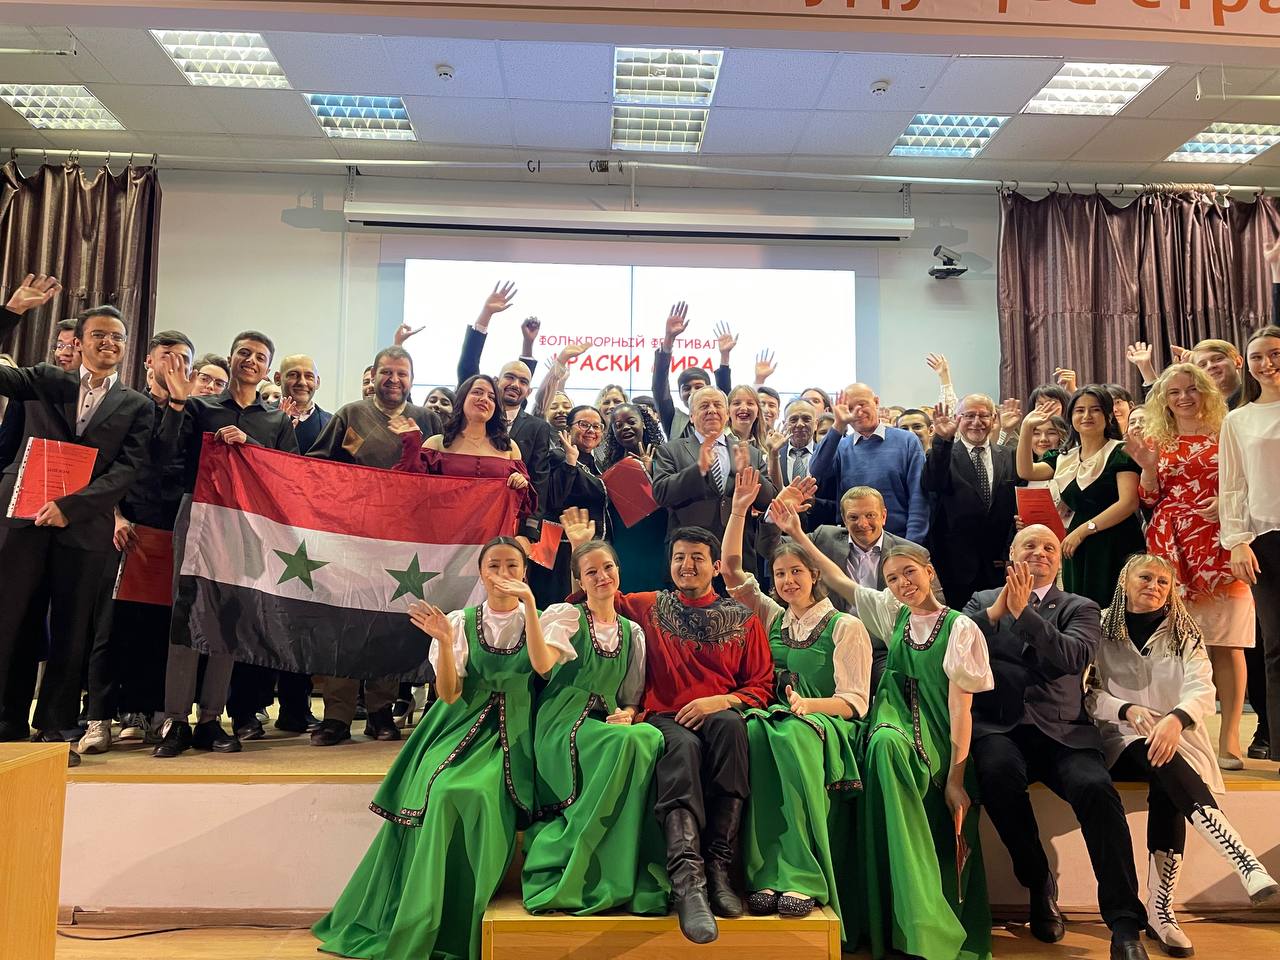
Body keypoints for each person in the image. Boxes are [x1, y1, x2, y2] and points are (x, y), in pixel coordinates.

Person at [313, 537, 555, 960]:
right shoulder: (461, 621)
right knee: (441, 791)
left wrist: (530, 604)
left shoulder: (541, 618)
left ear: (525, 572)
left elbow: (542, 668)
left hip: (513, 732)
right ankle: (424, 915)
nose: (503, 573)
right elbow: (448, 694)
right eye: (494, 565)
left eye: (512, 566)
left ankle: (464, 919)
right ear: (481, 573)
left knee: (478, 794)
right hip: (458, 724)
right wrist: (444, 642)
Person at [773, 499, 993, 960]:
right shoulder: (893, 614)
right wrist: (798, 534)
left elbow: (961, 710)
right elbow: (838, 580)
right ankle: (890, 923)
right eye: (892, 579)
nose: (902, 584)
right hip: (891, 724)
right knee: (880, 747)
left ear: (929, 572)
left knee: (890, 751)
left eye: (909, 573)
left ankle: (925, 927)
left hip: (934, 734)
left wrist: (956, 778)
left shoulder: (960, 629)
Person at [562, 512, 773, 944]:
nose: (686, 565)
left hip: (719, 711)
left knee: (731, 729)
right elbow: (594, 595)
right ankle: (688, 884)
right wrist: (580, 548)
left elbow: (761, 684)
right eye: (679, 557)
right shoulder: (647, 605)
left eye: (697, 557)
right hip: (663, 715)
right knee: (682, 748)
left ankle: (719, 870)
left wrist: (721, 700)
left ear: (716, 566)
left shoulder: (743, 618)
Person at [963, 525, 1150, 960]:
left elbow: (1072, 656)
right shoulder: (981, 600)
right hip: (1000, 729)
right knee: (995, 773)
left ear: (1059, 560)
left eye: (1049, 546)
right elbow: (958, 645)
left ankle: (1124, 924)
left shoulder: (1080, 606)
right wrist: (999, 610)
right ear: (1012, 554)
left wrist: (1023, 614)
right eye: (1029, 544)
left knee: (1096, 789)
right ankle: (1037, 882)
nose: (1041, 552)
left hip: (1064, 733)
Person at [1088, 554, 1278, 957]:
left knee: (1166, 777)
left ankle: (1161, 909)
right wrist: (1125, 709)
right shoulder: (1099, 626)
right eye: (1145, 577)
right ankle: (1241, 858)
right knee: (1157, 754)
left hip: (1175, 739)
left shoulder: (1185, 630)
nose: (1154, 586)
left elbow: (1202, 687)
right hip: (1119, 738)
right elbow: (1087, 692)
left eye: (1163, 582)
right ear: (1124, 581)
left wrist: (1175, 719)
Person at [0, 277, 155, 767]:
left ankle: (55, 727)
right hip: (24, 520)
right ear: (80, 342)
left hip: (85, 528)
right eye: (99, 335)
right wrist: (11, 312)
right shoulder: (46, 378)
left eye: (117, 337)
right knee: (12, 619)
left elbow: (128, 469)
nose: (108, 343)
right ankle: (6, 719)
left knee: (72, 630)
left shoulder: (137, 405)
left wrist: (71, 506)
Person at [721, 470, 870, 937]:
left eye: (796, 572)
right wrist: (739, 511)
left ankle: (802, 877)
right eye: (781, 574)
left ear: (815, 576)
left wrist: (810, 706)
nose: (787, 581)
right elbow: (731, 571)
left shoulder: (845, 626)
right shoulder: (771, 616)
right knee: (752, 733)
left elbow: (855, 702)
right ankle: (766, 872)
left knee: (790, 739)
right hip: (777, 718)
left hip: (827, 724)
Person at [151, 330, 299, 757]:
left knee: (228, 620)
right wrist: (176, 403)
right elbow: (164, 454)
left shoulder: (275, 421)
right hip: (197, 513)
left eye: (260, 356)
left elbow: (290, 476)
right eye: (244, 353)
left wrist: (251, 446)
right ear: (231, 358)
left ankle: (211, 719)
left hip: (247, 525)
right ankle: (176, 720)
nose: (251, 360)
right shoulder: (199, 406)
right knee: (186, 613)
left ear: (268, 369)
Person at [520, 538, 668, 916]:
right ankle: (586, 863)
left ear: (619, 571)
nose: (602, 576)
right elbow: (543, 666)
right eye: (591, 572)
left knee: (648, 737)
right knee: (625, 744)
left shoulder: (632, 632)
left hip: (605, 721)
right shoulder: (567, 618)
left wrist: (629, 714)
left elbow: (631, 697)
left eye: (608, 568)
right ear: (580, 581)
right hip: (561, 721)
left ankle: (629, 862)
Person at [306, 346, 443, 747]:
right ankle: (337, 715)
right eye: (387, 372)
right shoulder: (350, 415)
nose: (394, 380)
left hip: (403, 540)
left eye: (402, 374)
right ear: (374, 375)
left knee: (388, 622)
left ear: (412, 379)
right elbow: (315, 467)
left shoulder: (428, 420)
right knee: (346, 622)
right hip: (352, 537)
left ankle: (381, 710)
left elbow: (443, 475)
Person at [1128, 363, 1255, 769]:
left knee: (1227, 643)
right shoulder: (1155, 438)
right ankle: (1178, 736)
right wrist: (1148, 467)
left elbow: (1251, 482)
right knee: (1174, 646)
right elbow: (1149, 500)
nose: (1183, 397)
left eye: (1191, 389)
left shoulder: (1228, 430)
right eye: (1174, 392)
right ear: (1163, 400)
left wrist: (1227, 502)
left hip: (1222, 544)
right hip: (1171, 548)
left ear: (1206, 391)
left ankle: (1230, 737)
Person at [77, 329, 196, 756]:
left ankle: (145, 714)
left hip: (174, 532)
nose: (175, 364)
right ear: (148, 361)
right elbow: (103, 467)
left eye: (184, 359)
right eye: (167, 355)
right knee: (111, 628)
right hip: (126, 529)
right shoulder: (126, 404)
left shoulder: (195, 412)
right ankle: (99, 718)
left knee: (157, 629)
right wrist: (114, 515)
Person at [1017, 386, 1145, 607]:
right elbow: (1025, 471)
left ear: (1108, 415)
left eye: (1095, 409)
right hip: (1076, 546)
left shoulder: (1121, 452)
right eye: (1079, 410)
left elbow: (1128, 503)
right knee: (1080, 608)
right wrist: (1027, 428)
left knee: (1115, 608)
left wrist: (1084, 530)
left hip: (1114, 541)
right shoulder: (1063, 457)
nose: (1087, 416)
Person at [1220, 325, 1280, 776]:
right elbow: (1233, 486)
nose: (1266, 363)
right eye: (1257, 356)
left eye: (1274, 353)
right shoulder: (1238, 420)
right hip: (1266, 539)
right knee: (1276, 647)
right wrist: (1237, 540)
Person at [651, 386, 777, 578]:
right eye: (704, 406)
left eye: (717, 405)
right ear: (691, 416)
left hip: (739, 554)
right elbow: (661, 493)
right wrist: (698, 470)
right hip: (690, 555)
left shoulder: (750, 452)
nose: (711, 410)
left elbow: (768, 501)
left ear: (727, 414)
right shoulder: (671, 451)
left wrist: (749, 471)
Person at [392, 373, 535, 531]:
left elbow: (523, 504)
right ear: (462, 398)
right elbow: (409, 487)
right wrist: (412, 444)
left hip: (492, 538)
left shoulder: (509, 448)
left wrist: (521, 483)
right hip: (441, 534)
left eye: (491, 397)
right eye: (477, 392)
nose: (484, 399)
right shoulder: (436, 443)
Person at [924, 396, 1021, 609]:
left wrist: (1009, 551)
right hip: (955, 565)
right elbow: (932, 483)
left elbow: (1017, 506)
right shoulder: (943, 454)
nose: (976, 422)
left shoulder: (1009, 455)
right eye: (969, 415)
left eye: (983, 415)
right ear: (957, 418)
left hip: (998, 565)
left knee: (1000, 623)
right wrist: (943, 440)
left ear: (993, 419)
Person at [808, 382, 929, 544]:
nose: (857, 412)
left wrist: (912, 543)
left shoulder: (907, 441)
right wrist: (838, 425)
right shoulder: (842, 446)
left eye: (862, 404)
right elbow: (817, 472)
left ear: (876, 402)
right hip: (853, 543)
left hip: (898, 541)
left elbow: (918, 497)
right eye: (850, 408)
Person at [540, 405, 608, 601]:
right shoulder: (556, 456)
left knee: (586, 604)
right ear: (568, 429)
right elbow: (554, 499)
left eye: (597, 426)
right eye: (584, 424)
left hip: (588, 543)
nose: (591, 430)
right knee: (556, 603)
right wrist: (570, 461)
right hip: (557, 546)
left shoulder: (599, 464)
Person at [600, 402, 669, 592]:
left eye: (631, 422)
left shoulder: (664, 458)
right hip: (625, 543)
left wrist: (651, 472)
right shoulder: (607, 466)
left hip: (658, 538)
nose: (625, 427)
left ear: (644, 423)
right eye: (618, 425)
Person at [651, 302, 732, 441]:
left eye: (699, 387)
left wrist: (725, 356)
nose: (693, 392)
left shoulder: (720, 415)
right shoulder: (674, 420)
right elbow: (659, 389)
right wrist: (668, 340)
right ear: (680, 393)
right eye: (686, 388)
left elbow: (724, 395)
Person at [766, 399, 837, 528]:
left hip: (819, 531)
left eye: (806, 419)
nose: (799, 424)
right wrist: (773, 454)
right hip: (779, 532)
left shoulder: (831, 457)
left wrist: (814, 503)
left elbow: (839, 503)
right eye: (793, 420)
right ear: (785, 424)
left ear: (816, 424)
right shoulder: (772, 456)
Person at [275, 354, 331, 454]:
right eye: (293, 375)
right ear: (278, 378)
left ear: (317, 382)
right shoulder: (261, 416)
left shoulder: (331, 424)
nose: (302, 382)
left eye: (309, 376)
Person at [727, 383, 767, 451]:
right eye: (736, 403)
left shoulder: (765, 447)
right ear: (728, 411)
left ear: (758, 412)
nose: (743, 408)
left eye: (750, 403)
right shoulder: (718, 440)